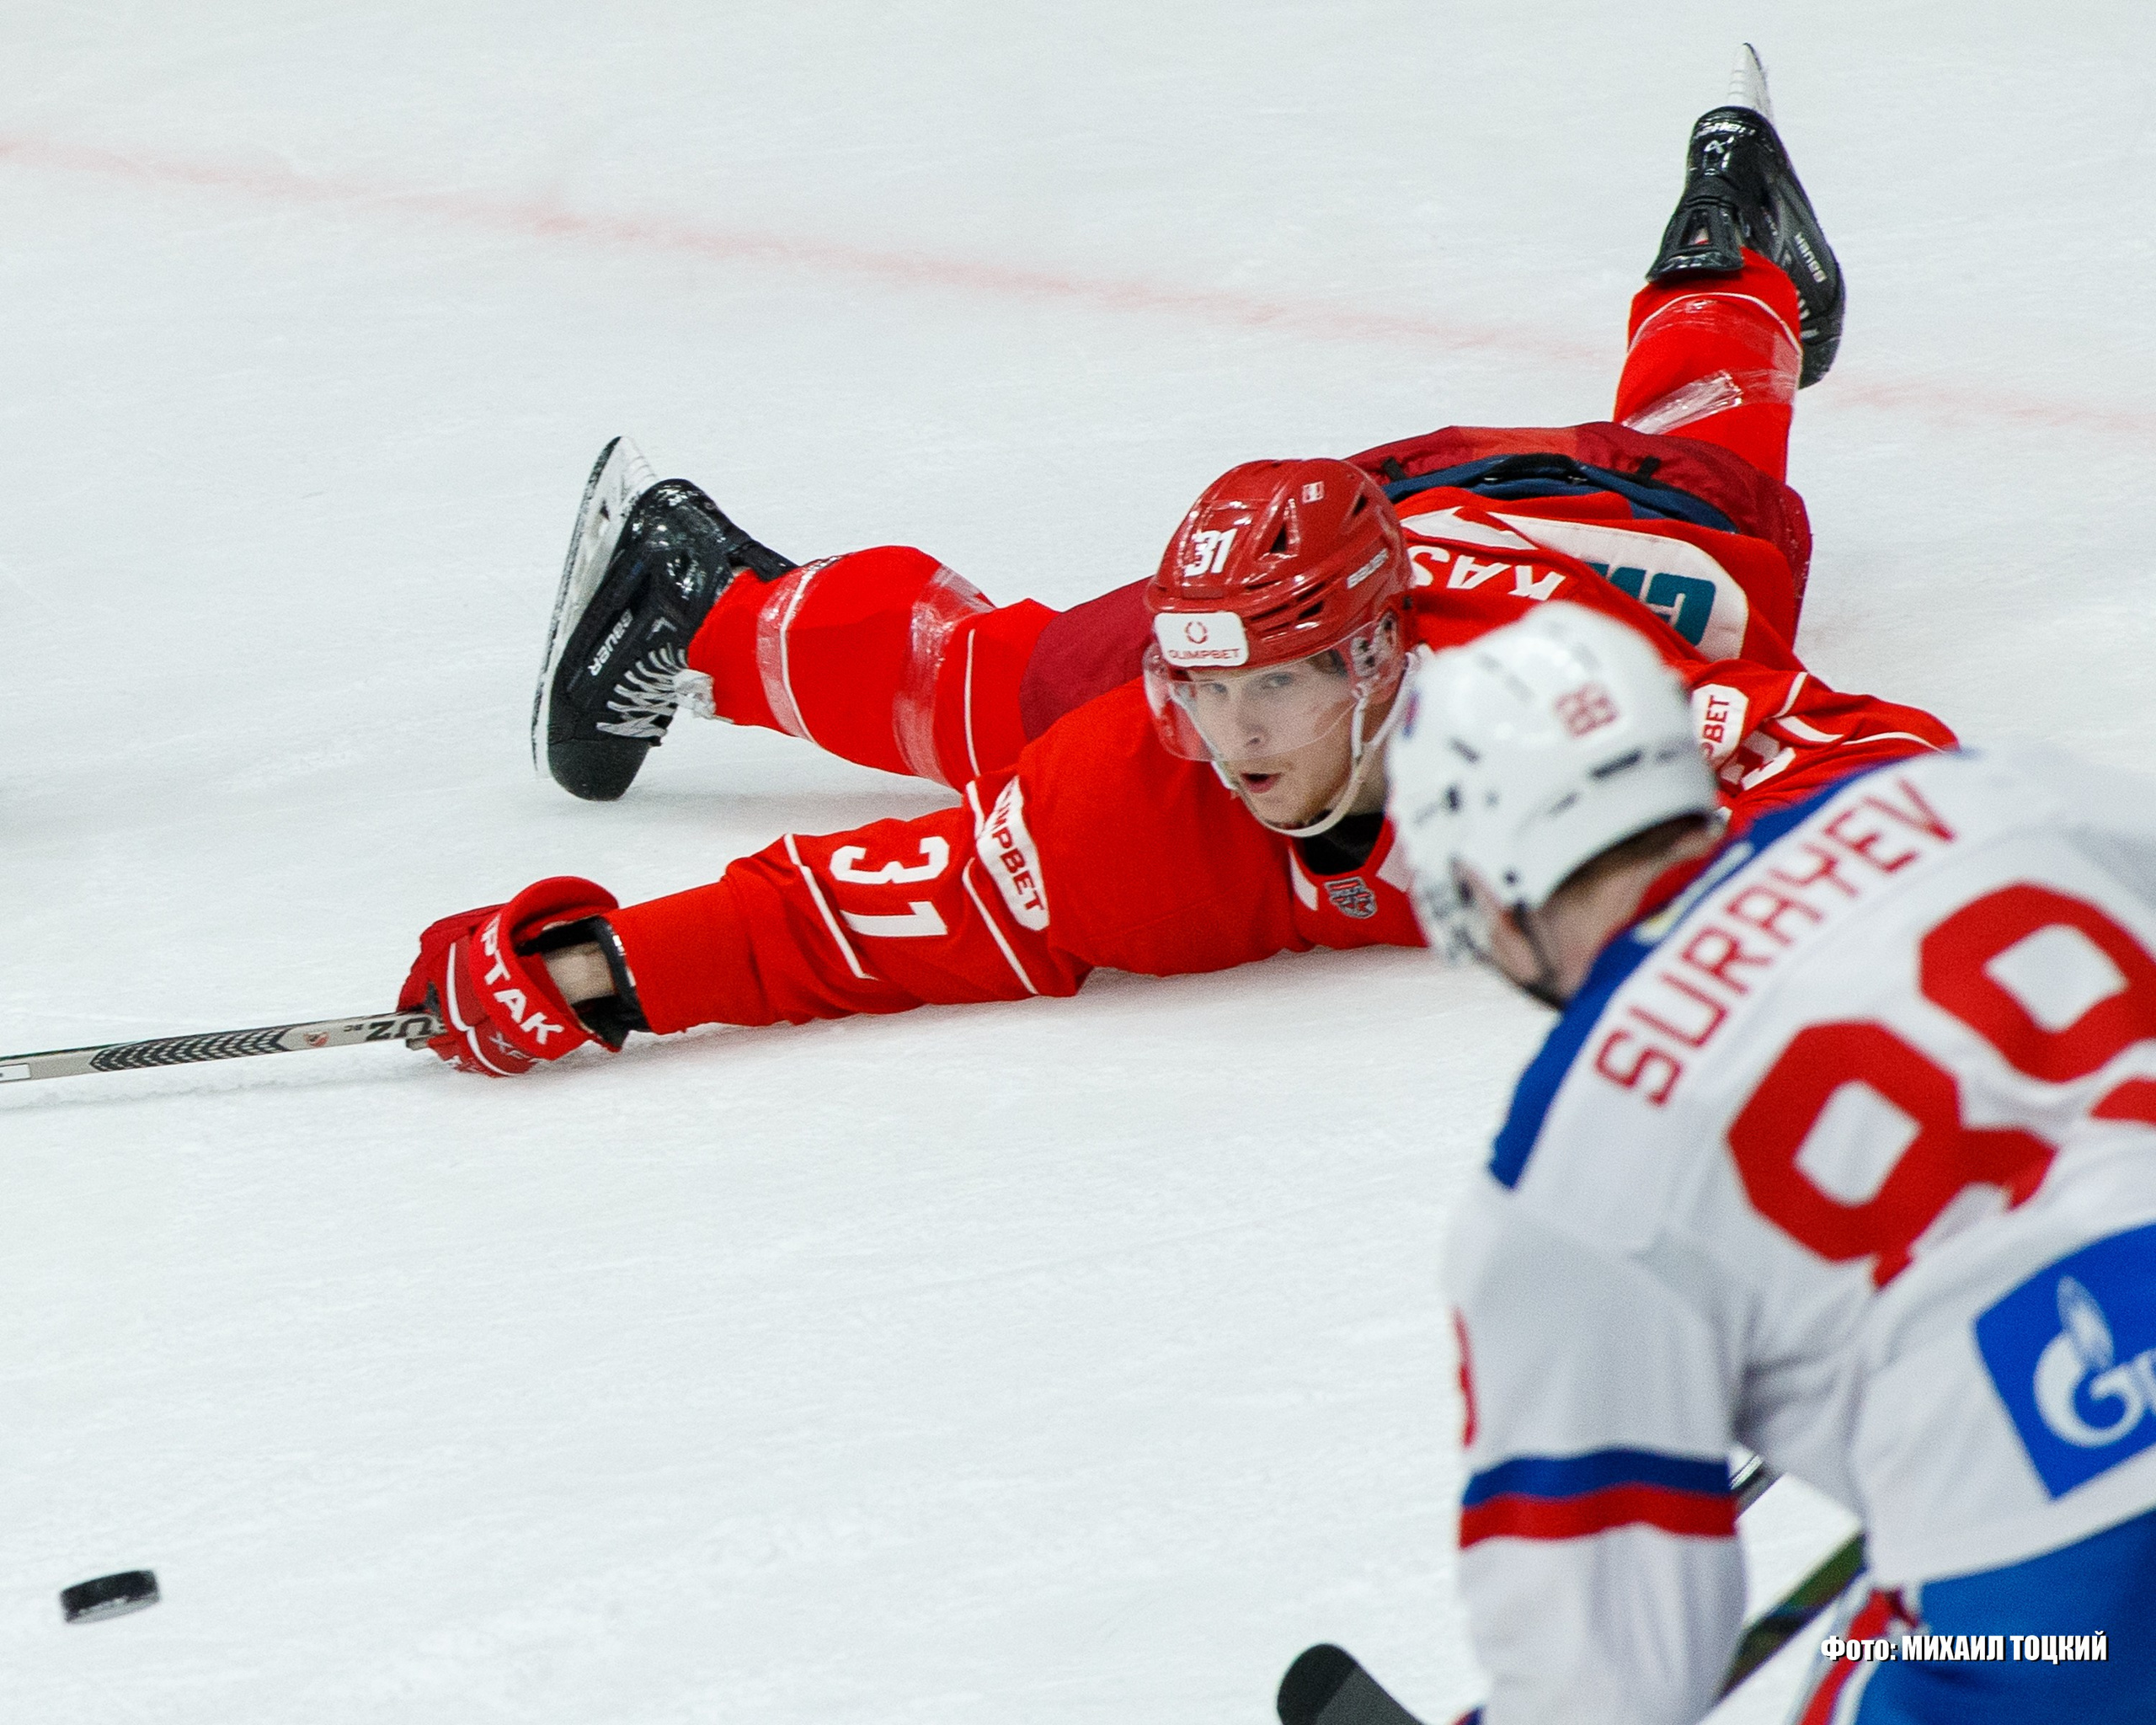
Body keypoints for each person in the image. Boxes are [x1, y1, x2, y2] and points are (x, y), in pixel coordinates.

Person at [402, 49, 1949, 1079]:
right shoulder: (1165, 757)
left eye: (1274, 690)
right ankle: (707, 604)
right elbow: (880, 906)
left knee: (1720, 483)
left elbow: (1887, 769)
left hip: (1587, 526)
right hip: (1345, 521)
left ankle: (1732, 240)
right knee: (1012, 697)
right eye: (1207, 689)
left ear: (1375, 661)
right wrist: (597, 968)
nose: (1235, 739)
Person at [1382, 601, 2156, 1724]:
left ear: (1490, 893)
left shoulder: (1570, 1160)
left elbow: (1608, 1677)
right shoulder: (1983, 794)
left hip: (2061, 1595)